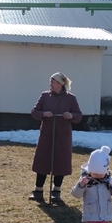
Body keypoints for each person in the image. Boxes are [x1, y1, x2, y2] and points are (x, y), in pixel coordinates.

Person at [29, 72, 83, 202]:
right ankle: (38, 190)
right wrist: (43, 114)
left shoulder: (70, 98)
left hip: (63, 135)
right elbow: (34, 112)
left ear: (60, 84)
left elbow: (79, 115)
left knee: (61, 161)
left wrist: (71, 116)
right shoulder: (45, 96)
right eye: (50, 81)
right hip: (47, 134)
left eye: (53, 81)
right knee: (43, 159)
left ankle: (56, 191)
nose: (50, 84)